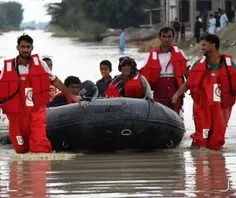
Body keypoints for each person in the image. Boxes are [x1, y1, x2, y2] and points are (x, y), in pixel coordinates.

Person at [0, 34, 81, 154]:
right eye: (23, 47)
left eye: (28, 47)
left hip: (36, 110)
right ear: (17, 48)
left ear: (32, 48)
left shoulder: (41, 65)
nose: (26, 50)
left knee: (40, 145)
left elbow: (56, 81)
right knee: (20, 148)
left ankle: (40, 170)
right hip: (17, 114)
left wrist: (72, 95)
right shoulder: (7, 67)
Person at [172, 34, 236, 151]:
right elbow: (189, 82)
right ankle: (200, 160)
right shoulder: (198, 64)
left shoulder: (228, 65)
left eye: (204, 45)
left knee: (216, 141)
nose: (201, 48)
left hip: (220, 108)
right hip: (202, 106)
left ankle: (216, 162)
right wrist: (177, 94)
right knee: (201, 139)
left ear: (213, 45)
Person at [140, 27, 190, 119]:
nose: (166, 39)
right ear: (160, 38)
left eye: (169, 37)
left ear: (173, 38)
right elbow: (142, 77)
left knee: (177, 117)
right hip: (159, 93)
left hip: (176, 92)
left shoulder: (180, 53)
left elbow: (189, 75)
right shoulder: (152, 54)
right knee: (159, 118)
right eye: (164, 36)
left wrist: (193, 90)